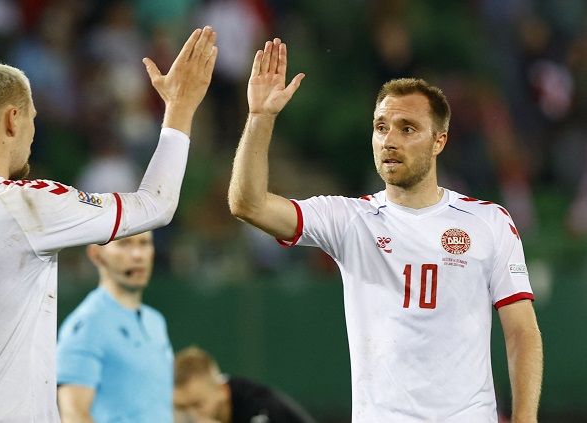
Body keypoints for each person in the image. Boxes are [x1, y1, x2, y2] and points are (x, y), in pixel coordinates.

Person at [0, 26, 218, 422]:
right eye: (33, 119)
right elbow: (155, 205)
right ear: (12, 120)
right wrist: (180, 109)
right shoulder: (25, 203)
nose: (34, 134)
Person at [228, 38, 542, 422]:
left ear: (438, 141)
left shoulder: (489, 222)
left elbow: (522, 333)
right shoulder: (348, 220)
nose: (390, 140)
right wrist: (260, 117)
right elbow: (248, 204)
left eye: (407, 128)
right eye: (381, 127)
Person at [56, 231, 170, 422]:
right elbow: (74, 415)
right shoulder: (87, 324)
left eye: (144, 243)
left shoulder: (155, 321)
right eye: (125, 244)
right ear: (96, 255)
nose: (137, 255)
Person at [173, 346, 317, 423]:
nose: (191, 414)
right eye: (181, 407)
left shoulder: (257, 406)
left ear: (222, 391)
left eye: (197, 404)